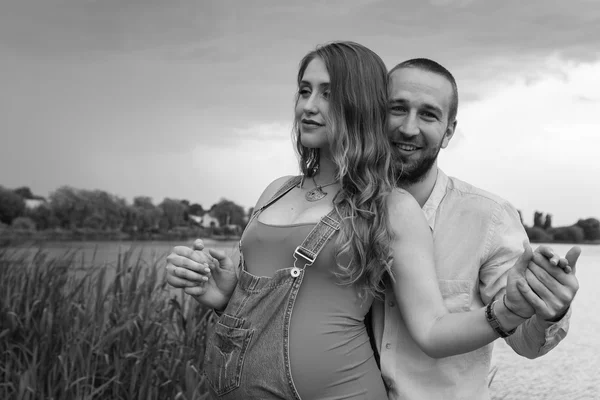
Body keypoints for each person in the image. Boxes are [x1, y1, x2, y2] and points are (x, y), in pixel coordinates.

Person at [165, 43, 577, 399]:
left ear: (449, 131)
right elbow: (285, 303)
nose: (408, 127)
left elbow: (506, 336)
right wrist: (227, 294)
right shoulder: (284, 192)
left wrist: (534, 307)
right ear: (375, 111)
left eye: (428, 115)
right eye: (397, 109)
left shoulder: (468, 216)